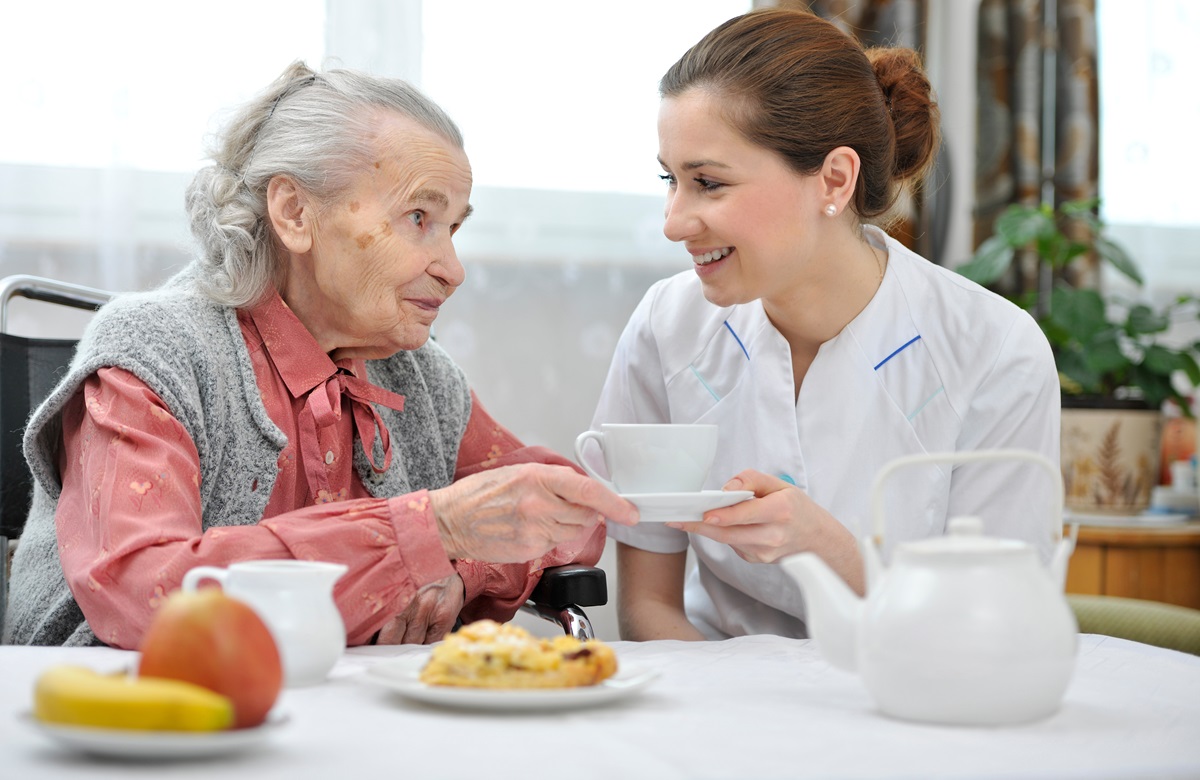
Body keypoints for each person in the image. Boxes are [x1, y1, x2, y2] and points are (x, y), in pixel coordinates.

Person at [4, 62, 637, 648]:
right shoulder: (155, 352)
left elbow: (571, 510)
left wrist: (463, 565)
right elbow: (147, 589)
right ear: (295, 212)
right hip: (128, 717)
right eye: (419, 217)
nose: (452, 269)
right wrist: (429, 531)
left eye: (454, 228)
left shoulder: (417, 374)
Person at [588, 9, 1060, 641]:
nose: (673, 221)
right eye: (670, 180)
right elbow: (651, 610)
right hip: (711, 698)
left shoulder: (995, 351)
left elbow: (996, 625)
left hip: (913, 703)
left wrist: (825, 545)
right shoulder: (666, 325)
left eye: (708, 183)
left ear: (833, 179)